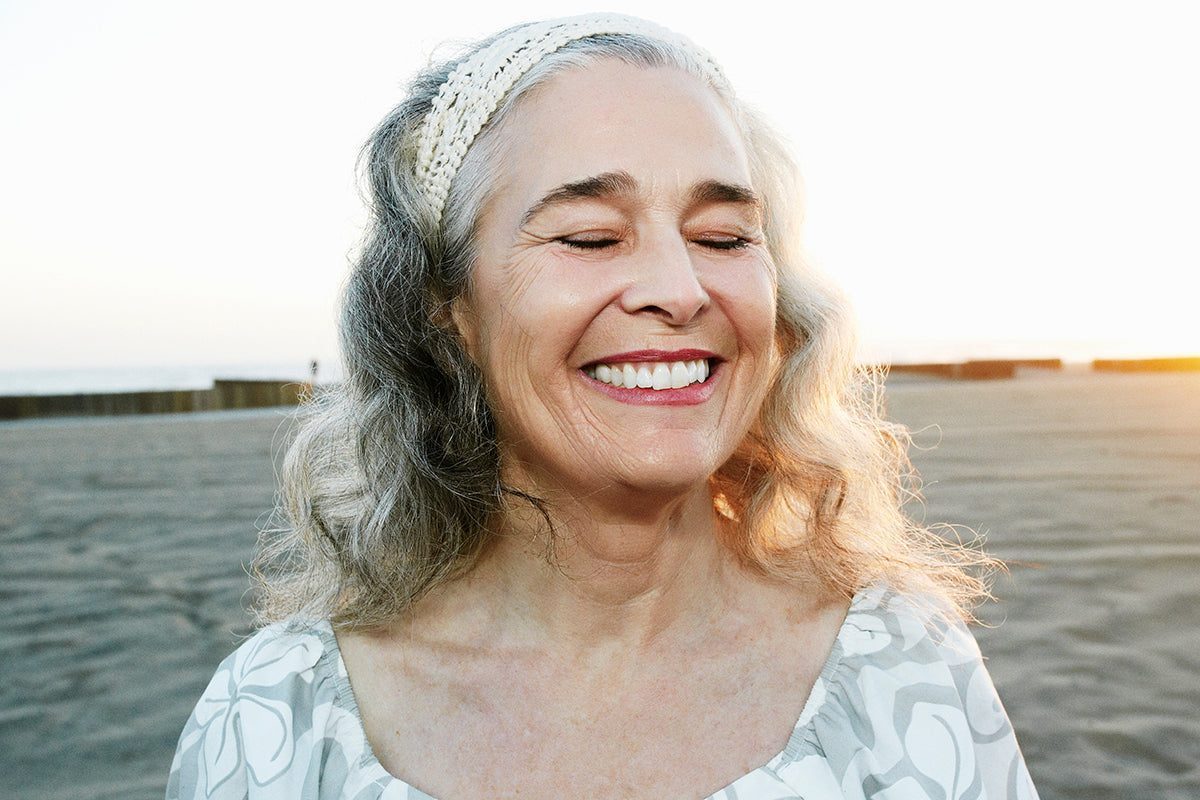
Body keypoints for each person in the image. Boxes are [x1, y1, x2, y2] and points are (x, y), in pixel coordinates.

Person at [168, 13, 1038, 800]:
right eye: (590, 236)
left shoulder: (907, 675)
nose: (680, 288)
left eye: (724, 237)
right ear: (448, 305)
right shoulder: (275, 720)